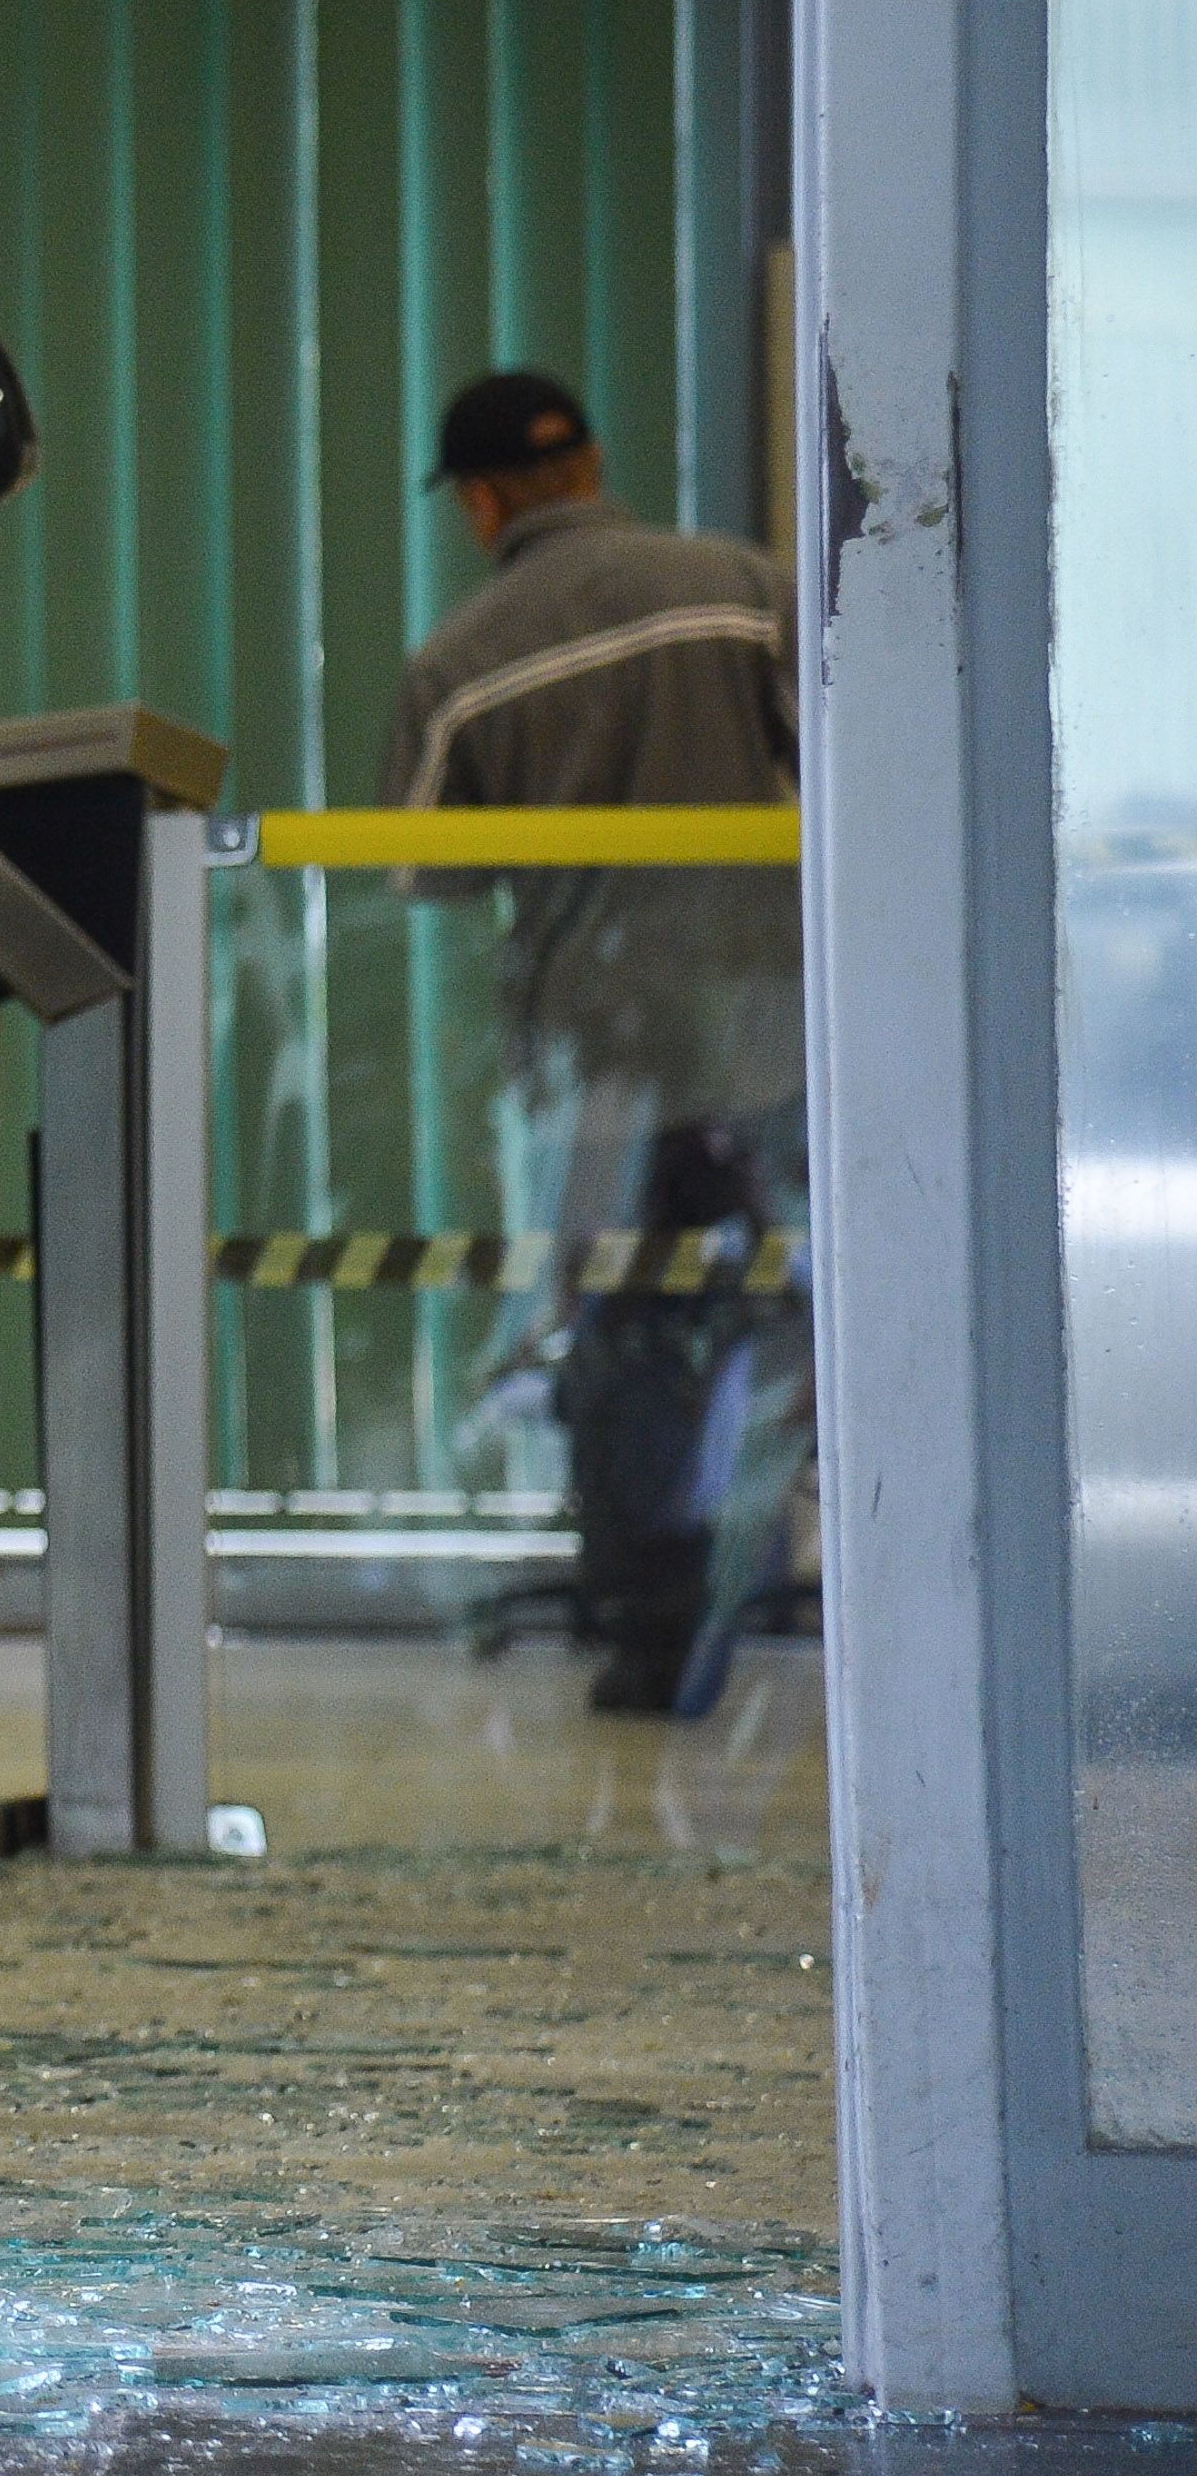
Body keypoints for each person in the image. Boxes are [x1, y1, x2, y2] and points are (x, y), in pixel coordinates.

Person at [386, 368, 804, 1718]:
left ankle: (654, 1627)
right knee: (803, 1295)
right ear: (595, 464)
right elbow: (855, 758)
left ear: (480, 504)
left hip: (607, 1061)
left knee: (626, 1323)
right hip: (784, 1031)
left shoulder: (458, 663)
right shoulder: (743, 589)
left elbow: (424, 880)